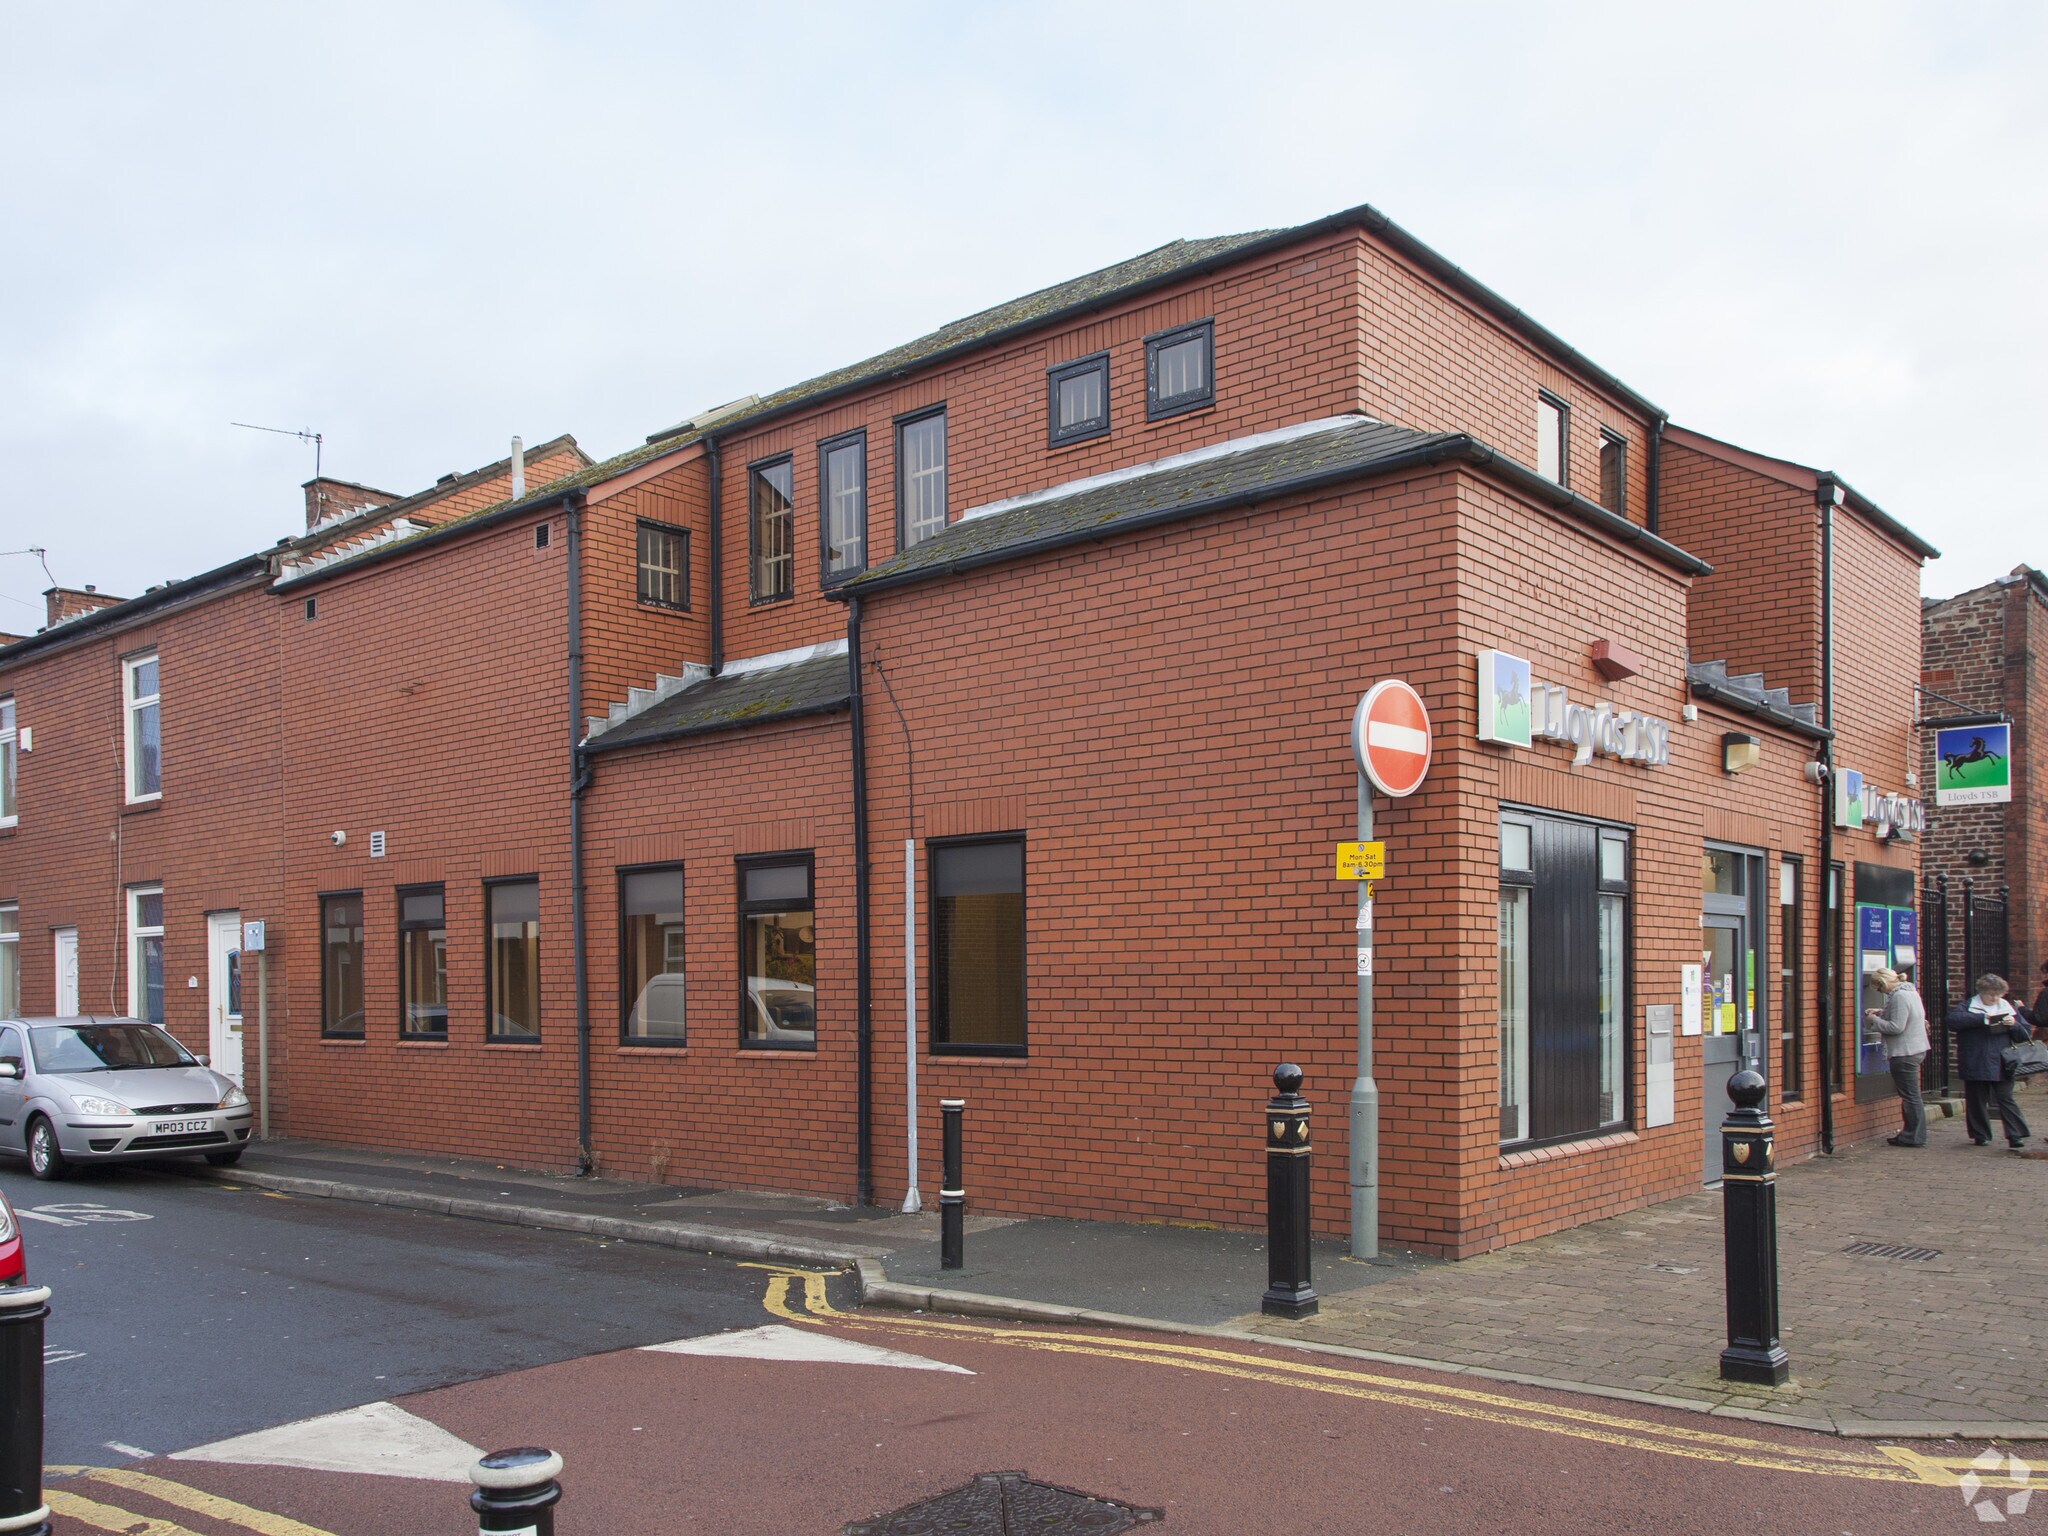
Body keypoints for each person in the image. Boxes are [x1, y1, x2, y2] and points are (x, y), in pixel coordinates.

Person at [1945, 973, 2035, 1148]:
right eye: (1991, 994)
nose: (1995, 998)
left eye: (1998, 994)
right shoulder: (1969, 1006)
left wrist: (2014, 1025)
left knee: (2006, 1098)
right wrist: (1982, 1018)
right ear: (1982, 992)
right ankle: (1980, 1135)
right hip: (1976, 1059)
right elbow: (1953, 1021)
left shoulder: (2007, 1007)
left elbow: (2025, 1033)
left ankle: (2015, 1135)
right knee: (1977, 1099)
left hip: (2003, 1061)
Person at [1864, 967, 1929, 1146]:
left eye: (1879, 988)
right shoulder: (1910, 992)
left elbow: (1896, 1027)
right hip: (1916, 1049)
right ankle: (1914, 1134)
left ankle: (1913, 1136)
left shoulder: (1899, 996)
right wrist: (1881, 1011)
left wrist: (1874, 1020)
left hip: (1904, 1051)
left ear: (1883, 983)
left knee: (1910, 1096)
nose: (1880, 992)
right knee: (1912, 1094)